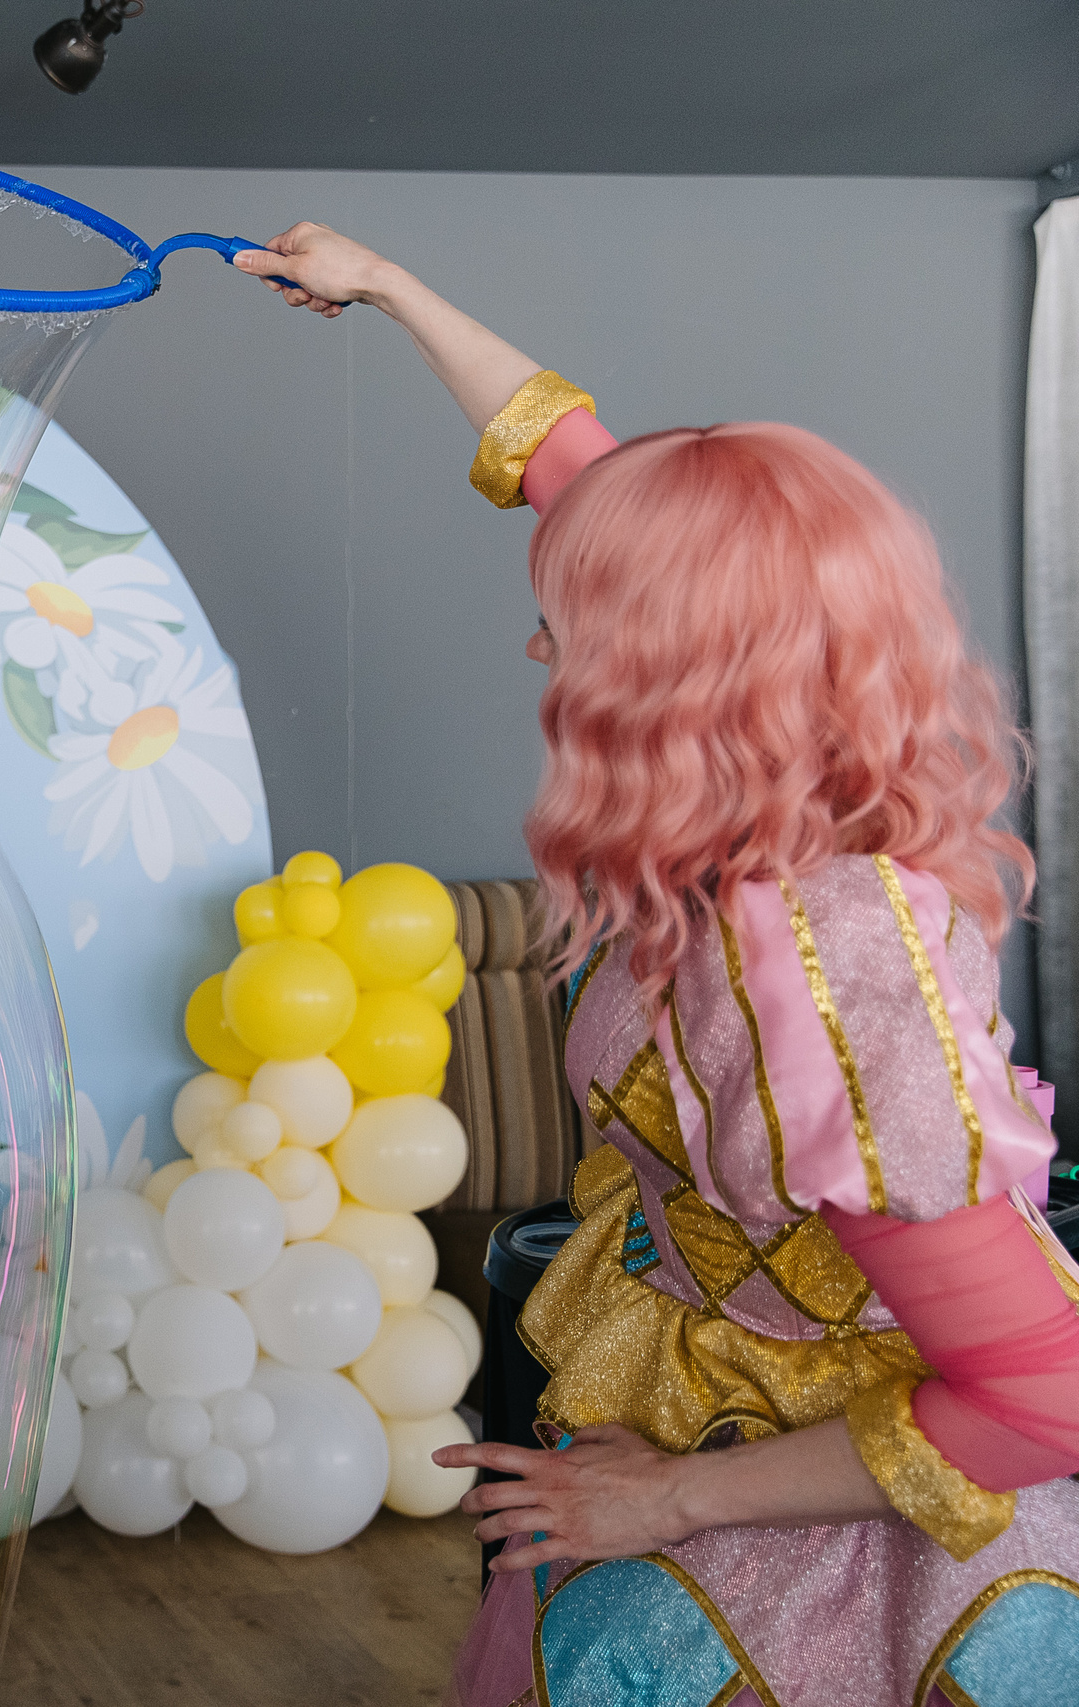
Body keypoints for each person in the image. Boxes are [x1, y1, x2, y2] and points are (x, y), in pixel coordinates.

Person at [235, 224, 1079, 1705]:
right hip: (722, 1420)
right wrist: (388, 288)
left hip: (845, 1547)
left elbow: (1045, 1393)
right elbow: (570, 457)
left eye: (568, 625)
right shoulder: (767, 811)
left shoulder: (819, 973)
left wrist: (668, 1501)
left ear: (669, 680)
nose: (537, 650)